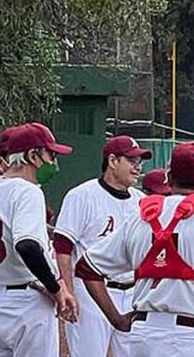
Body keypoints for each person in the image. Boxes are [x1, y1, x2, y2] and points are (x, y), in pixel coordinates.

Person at [74, 142, 194, 356]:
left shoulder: (140, 218)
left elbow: (87, 267)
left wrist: (116, 318)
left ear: (169, 179)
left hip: (144, 336)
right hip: (193, 339)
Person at [0, 122, 78, 357]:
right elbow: (26, 245)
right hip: (26, 305)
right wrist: (56, 288)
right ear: (32, 155)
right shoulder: (28, 191)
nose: (53, 162)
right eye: (50, 154)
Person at [54, 136, 152, 357]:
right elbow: (62, 248)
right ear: (113, 160)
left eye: (140, 162)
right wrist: (68, 292)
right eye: (132, 160)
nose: (138, 167)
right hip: (90, 293)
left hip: (132, 293)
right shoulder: (82, 196)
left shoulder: (142, 201)